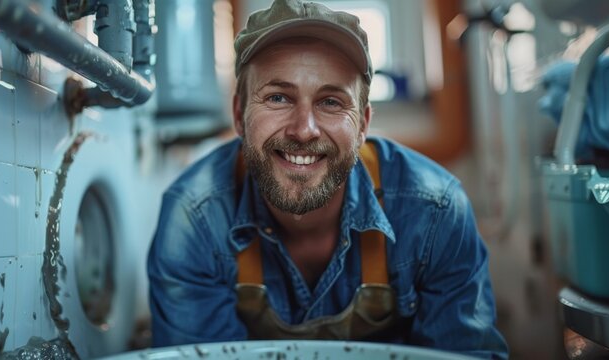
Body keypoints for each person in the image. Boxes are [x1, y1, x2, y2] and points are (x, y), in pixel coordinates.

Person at [148, 0, 508, 357]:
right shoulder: (194, 218)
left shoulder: (435, 211)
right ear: (240, 116)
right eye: (278, 97)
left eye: (331, 102)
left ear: (364, 124)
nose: (304, 130)